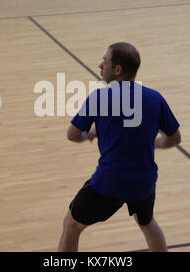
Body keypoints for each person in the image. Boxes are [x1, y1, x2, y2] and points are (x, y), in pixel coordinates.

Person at [58, 42, 181, 252]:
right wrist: (155, 143)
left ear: (118, 69)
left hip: (110, 182)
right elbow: (174, 138)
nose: (100, 65)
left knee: (71, 224)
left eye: (105, 62)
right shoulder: (154, 98)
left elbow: (73, 135)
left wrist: (90, 134)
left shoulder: (99, 98)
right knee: (147, 223)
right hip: (144, 181)